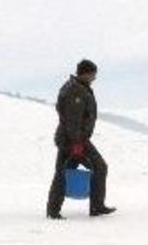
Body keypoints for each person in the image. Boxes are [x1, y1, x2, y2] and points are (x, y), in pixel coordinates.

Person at [46, 59, 115, 219]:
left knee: (62, 173)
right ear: (85, 73)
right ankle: (95, 207)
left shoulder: (78, 87)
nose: (94, 78)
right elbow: (72, 119)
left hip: (73, 138)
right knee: (99, 167)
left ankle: (54, 210)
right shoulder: (76, 91)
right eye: (93, 74)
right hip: (73, 139)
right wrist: (77, 143)